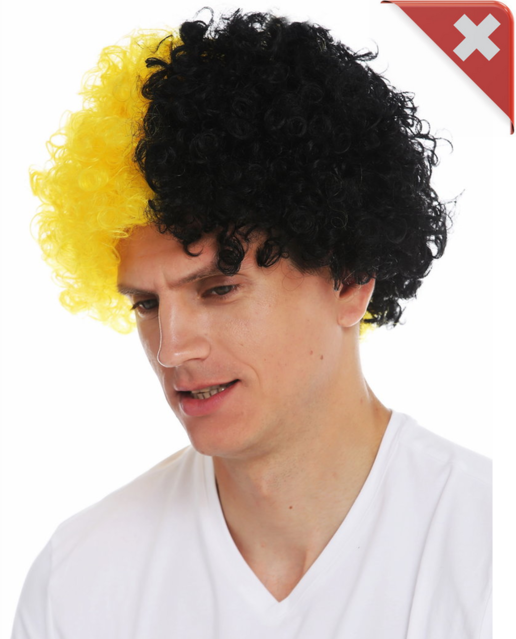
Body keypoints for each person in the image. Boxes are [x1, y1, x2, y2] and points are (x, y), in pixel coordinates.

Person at [12, 7, 491, 638]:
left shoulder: (486, 552)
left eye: (219, 289)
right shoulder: (80, 581)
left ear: (349, 280)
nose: (171, 349)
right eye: (147, 304)